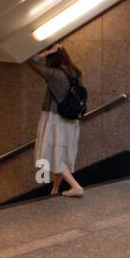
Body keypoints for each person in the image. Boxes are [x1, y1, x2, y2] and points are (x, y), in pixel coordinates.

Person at [28, 44, 85, 197]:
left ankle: (76, 186)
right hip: (72, 120)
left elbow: (31, 61)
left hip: (55, 120)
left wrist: (48, 51)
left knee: (51, 155)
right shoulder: (76, 73)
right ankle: (55, 190)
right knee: (60, 154)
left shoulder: (55, 74)